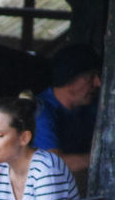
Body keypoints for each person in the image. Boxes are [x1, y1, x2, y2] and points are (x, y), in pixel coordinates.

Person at [34, 44, 102, 175]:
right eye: (92, 76)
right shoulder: (39, 110)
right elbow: (54, 163)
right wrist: (105, 158)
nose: (98, 83)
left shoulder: (92, 107)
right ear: (70, 76)